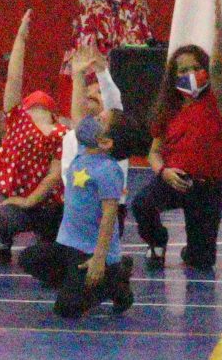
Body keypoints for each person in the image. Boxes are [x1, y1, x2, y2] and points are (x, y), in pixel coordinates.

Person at [21, 103, 138, 319]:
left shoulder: (108, 170)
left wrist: (99, 259)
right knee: (29, 258)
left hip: (90, 251)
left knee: (66, 309)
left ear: (106, 142)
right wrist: (78, 74)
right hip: (69, 245)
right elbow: (78, 117)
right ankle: (79, 282)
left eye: (100, 121)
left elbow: (109, 216)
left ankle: (114, 281)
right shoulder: (85, 149)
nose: (92, 120)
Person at [132, 24, 222, 272]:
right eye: (184, 70)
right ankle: (157, 241)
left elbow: (218, 66)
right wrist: (163, 172)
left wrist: (218, 32)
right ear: (173, 76)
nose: (191, 73)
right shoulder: (168, 108)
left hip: (208, 187)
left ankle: (194, 248)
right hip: (176, 180)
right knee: (142, 203)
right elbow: (154, 153)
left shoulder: (216, 101)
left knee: (202, 262)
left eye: (197, 68)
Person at [0, 8, 68, 265]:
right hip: (19, 200)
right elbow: (14, 78)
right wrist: (20, 39)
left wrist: (29, 201)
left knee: (50, 250)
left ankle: (45, 240)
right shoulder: (17, 119)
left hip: (48, 205)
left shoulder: (61, 132)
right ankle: (3, 242)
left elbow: (54, 175)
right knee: (3, 218)